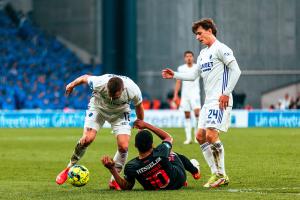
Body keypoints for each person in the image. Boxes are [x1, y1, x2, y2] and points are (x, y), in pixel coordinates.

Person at [162, 18, 241, 188]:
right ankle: (216, 173)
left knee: (211, 136)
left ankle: (221, 175)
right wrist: (174, 74)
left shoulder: (222, 49)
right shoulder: (204, 54)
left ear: (209, 30)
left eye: (199, 33)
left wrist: (226, 93)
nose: (197, 37)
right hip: (208, 101)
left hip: (220, 99)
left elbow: (236, 70)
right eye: (196, 34)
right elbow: (192, 76)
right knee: (200, 137)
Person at [55, 74, 144, 190]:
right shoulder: (100, 82)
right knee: (87, 139)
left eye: (115, 97)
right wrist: (71, 85)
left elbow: (139, 106)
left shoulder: (133, 89)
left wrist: (141, 125)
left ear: (122, 90)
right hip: (98, 109)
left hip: (120, 114)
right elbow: (84, 77)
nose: (112, 99)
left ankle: (114, 181)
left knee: (123, 146)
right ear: (107, 87)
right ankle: (69, 167)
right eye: (110, 95)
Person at [101, 119, 200, 190]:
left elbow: (127, 186)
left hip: (155, 187)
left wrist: (112, 169)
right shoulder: (161, 152)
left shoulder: (131, 166)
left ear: (135, 145)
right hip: (178, 181)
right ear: (152, 144)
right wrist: (146, 125)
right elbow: (168, 137)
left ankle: (193, 170)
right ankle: (195, 171)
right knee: (171, 153)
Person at [173, 51, 201, 144]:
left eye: (190, 56)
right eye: (187, 56)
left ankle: (197, 136)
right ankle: (188, 138)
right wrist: (176, 95)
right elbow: (178, 82)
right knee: (187, 115)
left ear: (193, 58)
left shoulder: (197, 67)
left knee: (197, 114)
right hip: (185, 95)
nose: (189, 58)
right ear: (185, 58)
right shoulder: (181, 68)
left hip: (195, 94)